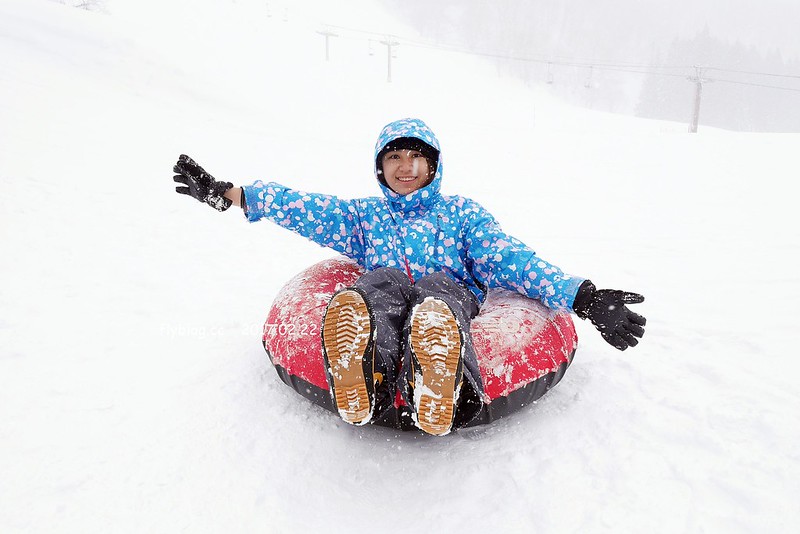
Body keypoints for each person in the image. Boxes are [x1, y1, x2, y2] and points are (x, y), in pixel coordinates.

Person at [173, 118, 646, 436]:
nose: (405, 167)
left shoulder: (462, 215)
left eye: (415, 158)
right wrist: (231, 194)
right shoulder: (364, 217)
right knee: (378, 286)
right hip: (385, 299)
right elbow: (305, 209)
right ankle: (364, 380)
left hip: (449, 296)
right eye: (394, 157)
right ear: (380, 167)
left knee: (436, 295)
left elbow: (511, 258)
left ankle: (438, 382)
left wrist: (582, 296)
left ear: (433, 167)